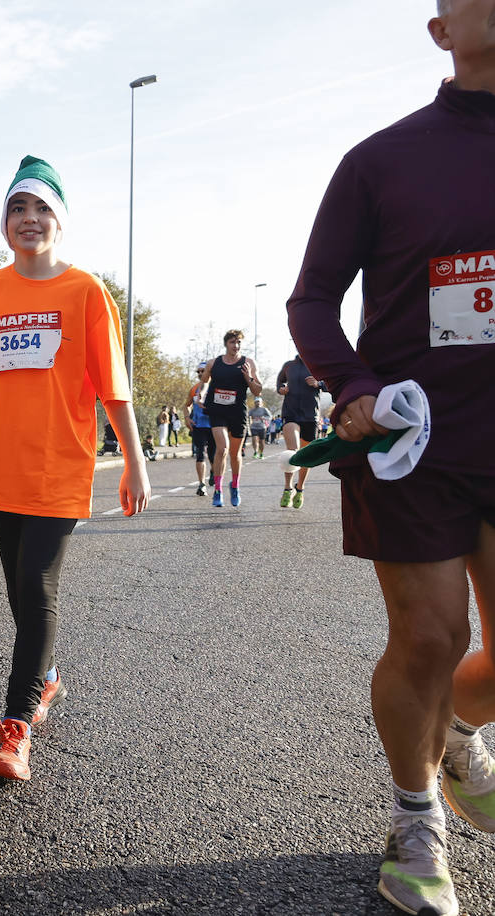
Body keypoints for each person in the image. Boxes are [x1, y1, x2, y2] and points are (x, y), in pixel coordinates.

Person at [286, 5, 495, 912]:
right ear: (441, 30)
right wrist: (354, 384)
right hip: (416, 443)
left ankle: (447, 733)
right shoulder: (381, 160)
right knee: (430, 633)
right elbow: (312, 302)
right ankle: (416, 821)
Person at [0, 155, 149, 782]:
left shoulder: (84, 292)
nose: (30, 219)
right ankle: (46, 677)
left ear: (60, 221)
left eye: (42, 209)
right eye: (18, 209)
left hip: (61, 467)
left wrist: (134, 463)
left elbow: (114, 387)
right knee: (17, 594)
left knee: (36, 588)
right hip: (2, 468)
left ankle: (15, 726)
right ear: (4, 222)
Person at [199, 330, 262, 506]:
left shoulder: (248, 363)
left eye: (239, 343)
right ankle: (218, 490)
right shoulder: (214, 363)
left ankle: (234, 486)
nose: (236, 346)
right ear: (226, 344)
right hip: (217, 410)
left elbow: (257, 390)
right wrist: (200, 396)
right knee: (223, 449)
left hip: (237, 412)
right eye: (233, 342)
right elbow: (204, 381)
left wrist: (248, 376)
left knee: (235, 454)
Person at [276, 354, 325, 508]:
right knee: (292, 450)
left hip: (311, 415)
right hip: (291, 413)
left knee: (307, 455)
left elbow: (332, 384)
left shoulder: (318, 364)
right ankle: (287, 488)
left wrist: (319, 384)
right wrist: (281, 389)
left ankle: (300, 488)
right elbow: (279, 383)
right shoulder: (289, 365)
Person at [185, 363, 217, 496]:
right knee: (200, 454)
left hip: (215, 426)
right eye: (198, 371)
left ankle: (213, 471)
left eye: (202, 371)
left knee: (213, 456)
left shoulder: (217, 388)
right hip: (198, 426)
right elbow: (186, 405)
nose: (200, 373)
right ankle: (201, 484)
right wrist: (187, 417)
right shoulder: (194, 389)